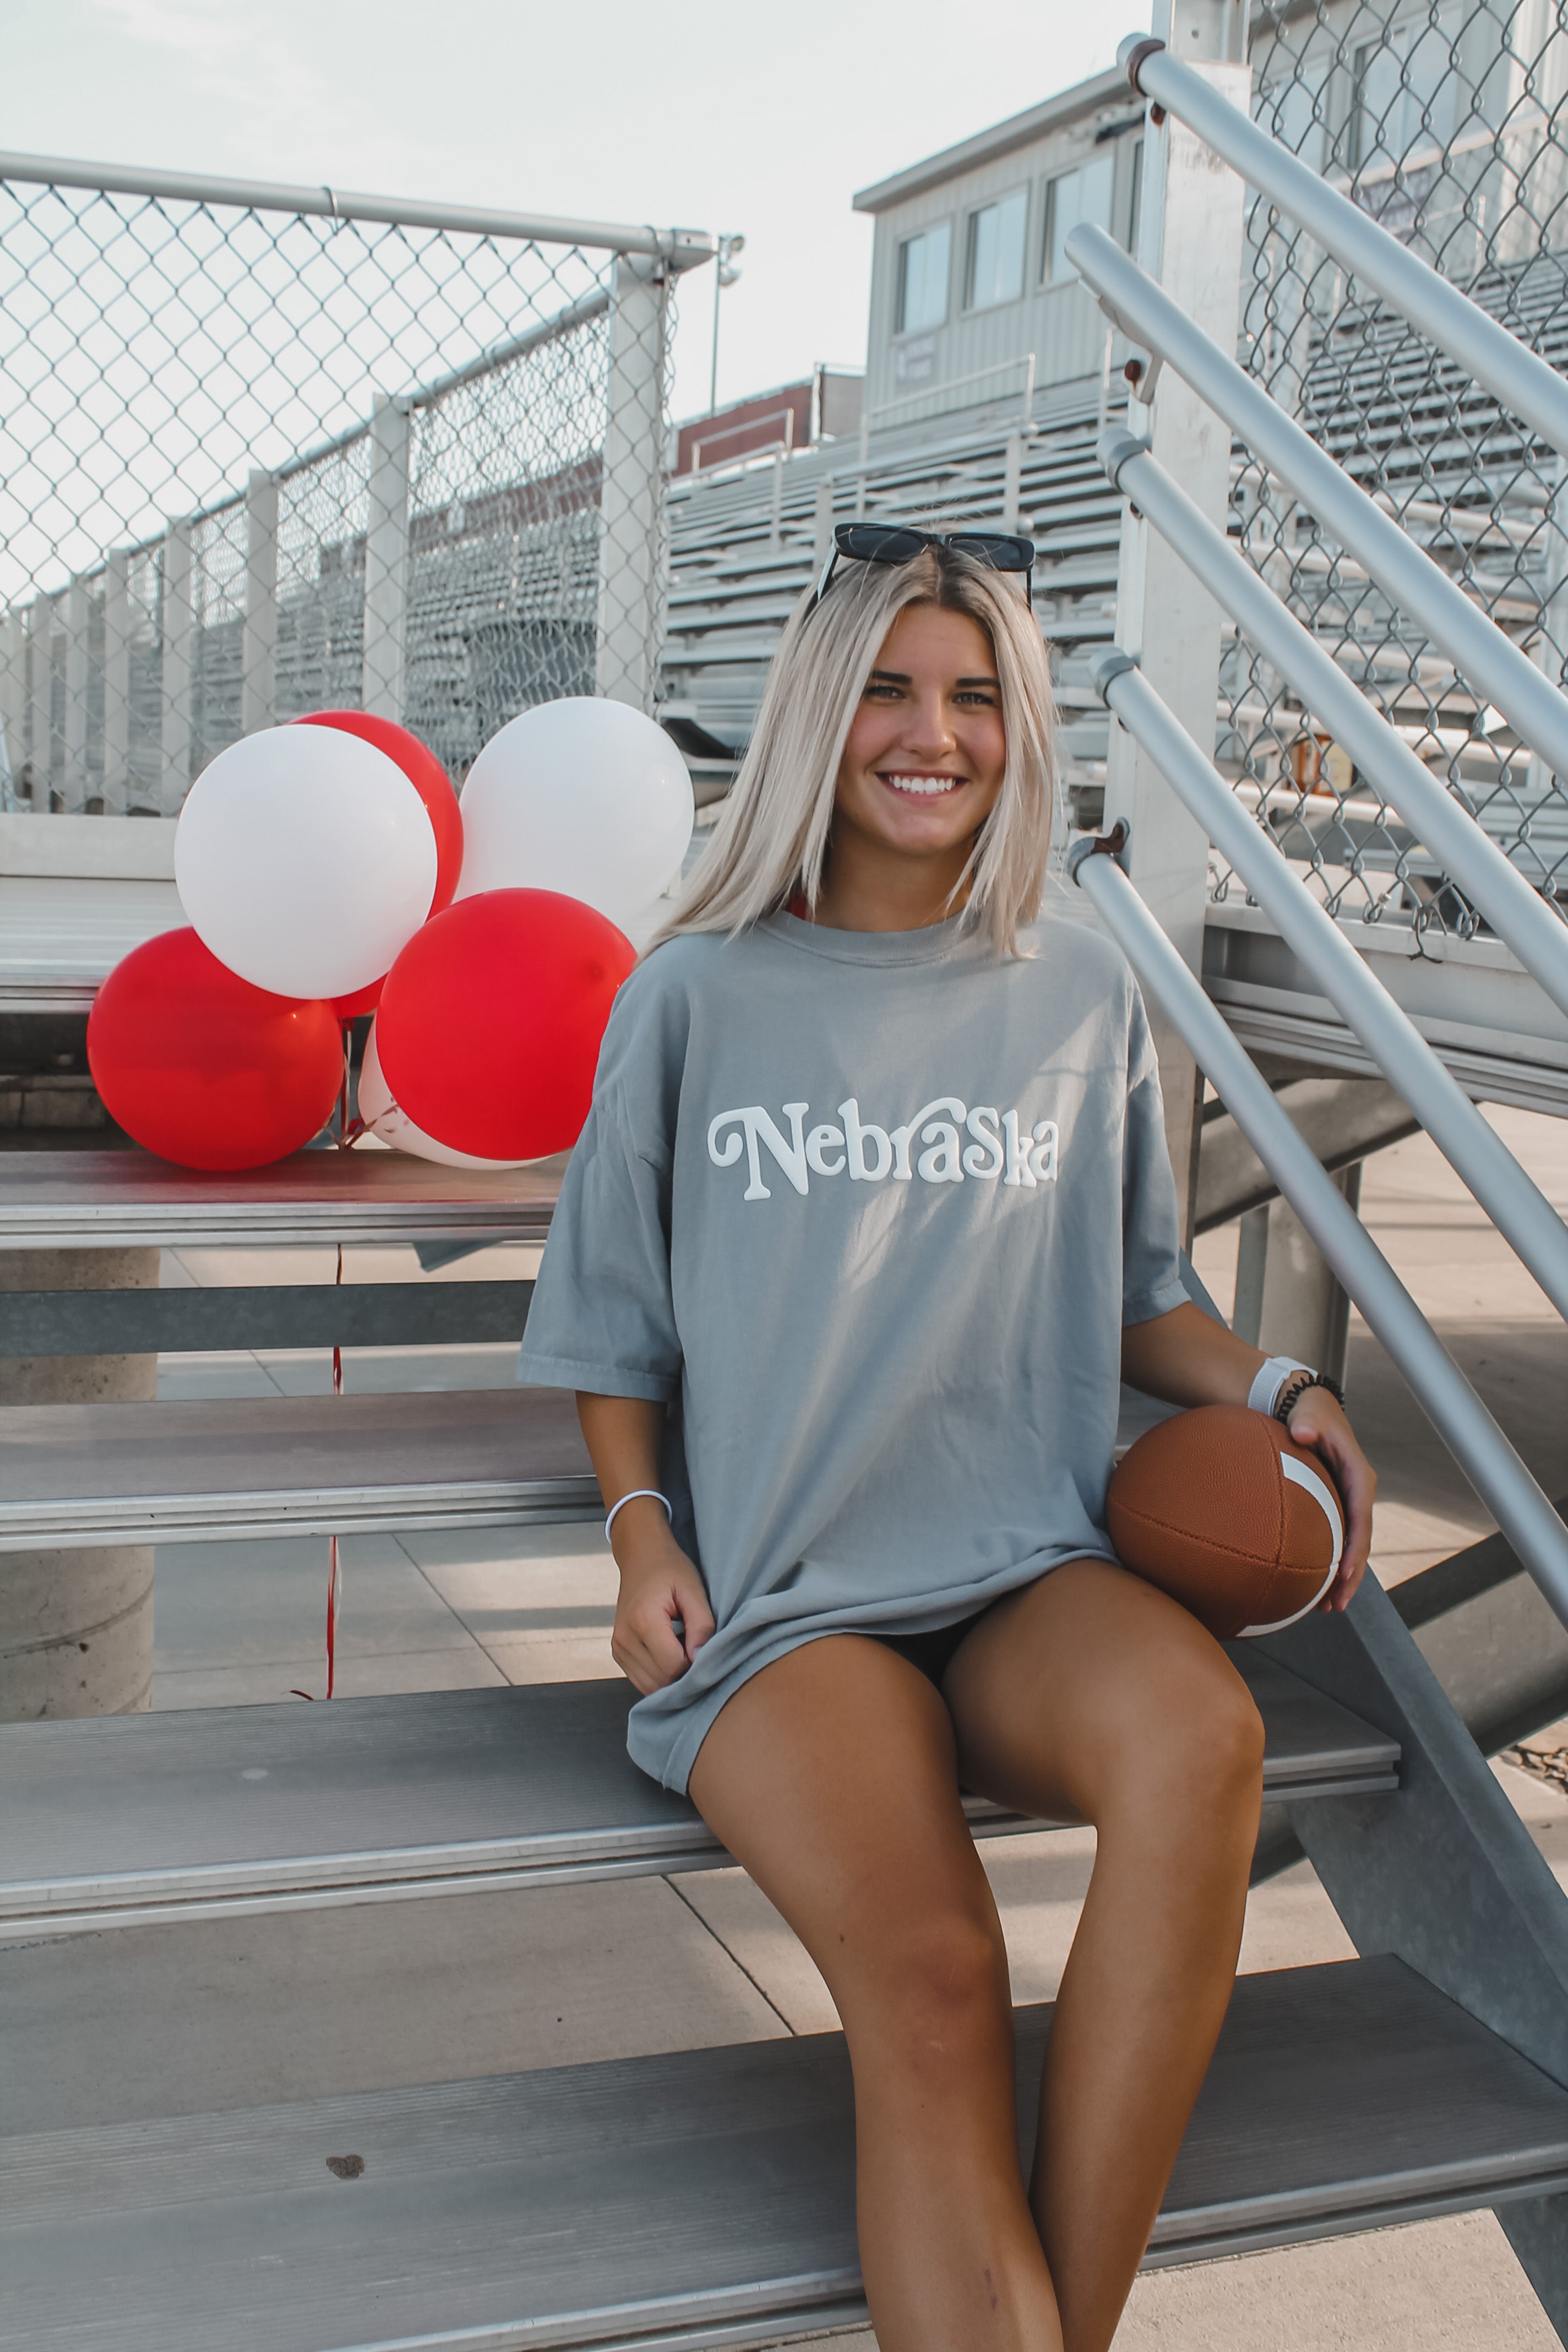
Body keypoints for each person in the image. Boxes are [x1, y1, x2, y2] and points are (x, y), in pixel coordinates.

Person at [518, 525, 1376, 2352]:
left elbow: (1143, 1297)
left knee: (1203, 1737)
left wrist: (1281, 1391)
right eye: (894, 689)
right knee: (935, 1974)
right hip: (788, 1599)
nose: (938, 732)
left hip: (1018, 1563)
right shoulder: (694, 997)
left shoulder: (1074, 993)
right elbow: (612, 1327)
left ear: (1024, 730)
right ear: (823, 716)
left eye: (979, 695)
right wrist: (640, 1535)